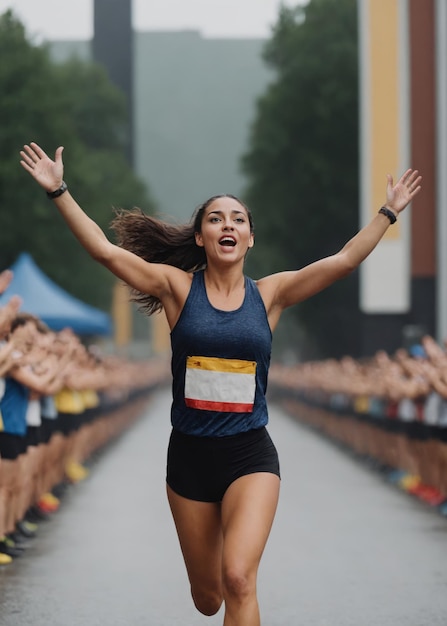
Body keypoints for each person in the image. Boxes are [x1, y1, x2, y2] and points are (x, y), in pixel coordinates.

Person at [19, 141, 421, 626]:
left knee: (239, 580)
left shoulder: (271, 294)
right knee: (208, 597)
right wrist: (59, 190)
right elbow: (105, 253)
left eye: (237, 219)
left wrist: (387, 212)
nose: (227, 224)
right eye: (215, 218)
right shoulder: (176, 288)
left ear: (250, 237)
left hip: (250, 453)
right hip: (189, 456)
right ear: (200, 237)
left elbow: (342, 262)